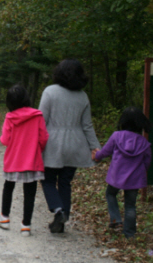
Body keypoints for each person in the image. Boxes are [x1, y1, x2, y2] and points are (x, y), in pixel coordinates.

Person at [38, 59, 101, 233]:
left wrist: (34, 142)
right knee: (65, 182)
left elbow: (41, 120)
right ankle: (63, 217)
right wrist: (95, 148)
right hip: (75, 144)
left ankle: (58, 210)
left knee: (48, 180)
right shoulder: (82, 96)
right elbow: (87, 125)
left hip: (53, 143)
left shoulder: (50, 91)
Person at [0, 84, 49, 236]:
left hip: (13, 159)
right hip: (32, 160)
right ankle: (26, 225)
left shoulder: (10, 117)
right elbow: (43, 137)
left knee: (8, 187)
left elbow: (5, 140)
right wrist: (38, 149)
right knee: (30, 192)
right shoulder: (37, 116)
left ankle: (4, 218)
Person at [93, 106, 151, 239]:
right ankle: (129, 234)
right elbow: (147, 161)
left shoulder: (116, 136)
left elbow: (105, 152)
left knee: (110, 194)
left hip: (116, 176)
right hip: (135, 179)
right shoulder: (144, 142)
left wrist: (97, 155)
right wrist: (141, 172)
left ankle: (116, 219)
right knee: (130, 205)